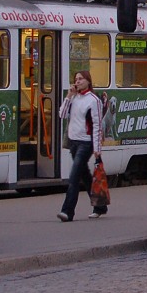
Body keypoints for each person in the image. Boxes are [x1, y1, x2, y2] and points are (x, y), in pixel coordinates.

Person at [57, 70, 107, 222]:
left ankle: (67, 212)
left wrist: (97, 149)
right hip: (73, 142)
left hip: (86, 143)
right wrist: (68, 97)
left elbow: (98, 125)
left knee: (74, 176)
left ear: (88, 81)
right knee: (85, 175)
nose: (77, 82)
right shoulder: (73, 98)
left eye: (80, 79)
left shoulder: (93, 100)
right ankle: (100, 206)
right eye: (76, 79)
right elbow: (62, 114)